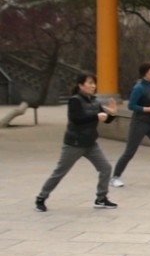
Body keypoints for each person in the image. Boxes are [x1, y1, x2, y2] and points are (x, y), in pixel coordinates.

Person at [35, 73, 118, 212]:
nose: (93, 86)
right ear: (80, 85)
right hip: (74, 143)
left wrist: (113, 114)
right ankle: (41, 198)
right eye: (90, 83)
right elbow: (77, 120)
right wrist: (96, 116)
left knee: (106, 168)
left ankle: (101, 198)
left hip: (91, 144)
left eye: (94, 83)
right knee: (60, 172)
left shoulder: (94, 101)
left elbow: (106, 119)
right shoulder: (75, 101)